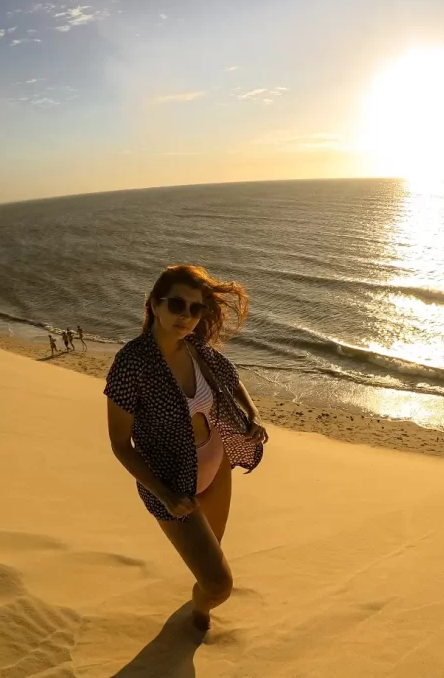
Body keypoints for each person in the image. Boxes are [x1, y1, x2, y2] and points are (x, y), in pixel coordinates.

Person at [104, 264, 268, 632]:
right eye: (178, 304)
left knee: (213, 557)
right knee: (218, 583)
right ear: (154, 305)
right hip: (173, 488)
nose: (187, 316)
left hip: (216, 469)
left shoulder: (196, 349)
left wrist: (253, 416)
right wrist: (164, 495)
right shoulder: (132, 363)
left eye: (196, 309)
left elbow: (232, 380)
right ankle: (203, 605)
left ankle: (200, 607)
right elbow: (119, 445)